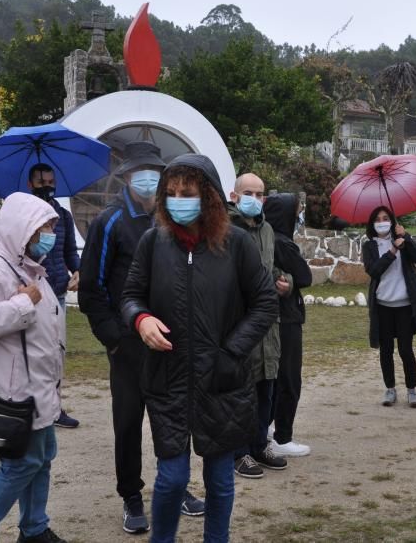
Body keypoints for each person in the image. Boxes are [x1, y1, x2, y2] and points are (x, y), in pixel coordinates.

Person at [121, 154, 278, 543]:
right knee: (171, 479)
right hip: (167, 378)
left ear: (206, 195)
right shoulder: (152, 242)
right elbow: (130, 296)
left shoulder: (237, 244)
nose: (178, 199)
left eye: (187, 192)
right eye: (171, 192)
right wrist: (141, 320)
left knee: (220, 481)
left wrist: (232, 352)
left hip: (222, 380)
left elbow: (265, 303)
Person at [78, 142, 204, 534]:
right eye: (140, 171)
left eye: (155, 171)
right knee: (129, 422)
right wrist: (115, 338)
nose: (148, 179)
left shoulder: (174, 221)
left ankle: (175, 485)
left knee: (175, 418)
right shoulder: (110, 221)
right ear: (128, 176)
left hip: (171, 343)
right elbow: (91, 291)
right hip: (129, 345)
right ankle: (131, 496)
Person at [0, 192, 69, 543]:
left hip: (38, 386)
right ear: (23, 229)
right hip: (14, 389)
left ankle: (34, 528)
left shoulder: (28, 266)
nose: (51, 233)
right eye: (45, 226)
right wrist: (23, 303)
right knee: (20, 465)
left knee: (43, 457)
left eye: (52, 225)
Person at [227, 173, 291, 479]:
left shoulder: (266, 229)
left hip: (269, 325)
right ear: (235, 196)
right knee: (242, 391)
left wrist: (284, 281)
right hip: (240, 324)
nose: (255, 198)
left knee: (267, 389)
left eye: (260, 193)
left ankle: (259, 445)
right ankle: (238, 453)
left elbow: (271, 267)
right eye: (249, 192)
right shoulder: (225, 229)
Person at [362, 205, 416, 407]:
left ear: (393, 221)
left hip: (404, 306)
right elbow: (374, 270)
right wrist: (393, 250)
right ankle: (390, 389)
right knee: (386, 351)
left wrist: (407, 237)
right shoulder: (369, 246)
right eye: (377, 219)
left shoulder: (403, 239)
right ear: (372, 224)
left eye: (386, 218)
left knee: (405, 349)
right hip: (383, 306)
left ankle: (412, 390)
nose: (382, 222)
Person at [27, 163, 80, 429]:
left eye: (50, 181)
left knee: (56, 353)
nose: (47, 186)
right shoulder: (22, 214)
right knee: (33, 354)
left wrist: (78, 270)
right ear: (30, 184)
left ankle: (54, 408)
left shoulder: (63, 215)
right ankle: (28, 406)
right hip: (31, 296)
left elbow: (70, 250)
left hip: (57, 292)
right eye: (41, 181)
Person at [263, 193, 313, 457]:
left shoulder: (267, 239)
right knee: (289, 379)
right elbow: (305, 276)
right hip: (286, 319)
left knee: (273, 377)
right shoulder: (284, 243)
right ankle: (283, 437)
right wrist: (293, 279)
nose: (298, 216)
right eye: (296, 212)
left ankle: (268, 428)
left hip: (271, 318)